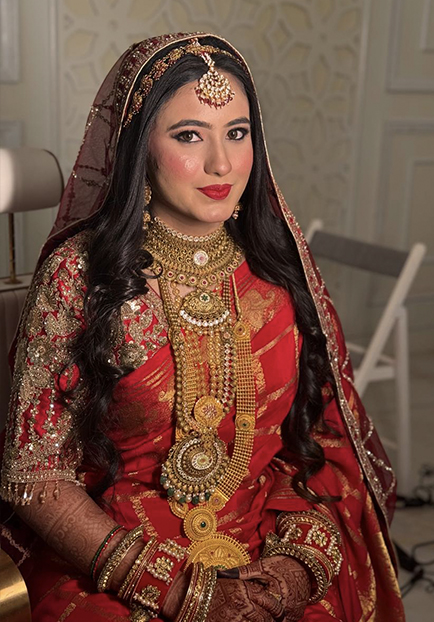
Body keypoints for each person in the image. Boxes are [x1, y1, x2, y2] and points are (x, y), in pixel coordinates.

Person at [0, 33, 405, 621]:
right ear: (139, 147)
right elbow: (34, 475)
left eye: (237, 133)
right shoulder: (80, 276)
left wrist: (294, 569)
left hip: (266, 543)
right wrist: (178, 592)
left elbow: (320, 441)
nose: (222, 164)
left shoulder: (277, 269)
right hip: (120, 560)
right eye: (189, 135)